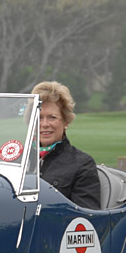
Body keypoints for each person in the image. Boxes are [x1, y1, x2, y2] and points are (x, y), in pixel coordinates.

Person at [32, 81, 100, 209]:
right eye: (39, 117)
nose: (45, 124)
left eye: (52, 117)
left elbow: (86, 218)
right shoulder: (18, 160)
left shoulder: (83, 164)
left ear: (66, 122)